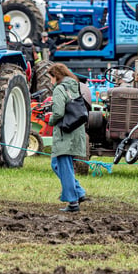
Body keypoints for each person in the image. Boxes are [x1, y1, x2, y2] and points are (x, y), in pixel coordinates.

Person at [47, 63, 87, 212]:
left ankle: (72, 202)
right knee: (59, 164)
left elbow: (58, 112)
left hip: (65, 132)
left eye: (50, 77)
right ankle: (79, 192)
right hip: (76, 130)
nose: (50, 81)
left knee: (62, 165)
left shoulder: (59, 89)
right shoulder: (75, 85)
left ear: (56, 76)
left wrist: (50, 121)